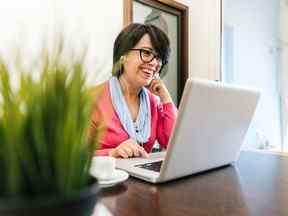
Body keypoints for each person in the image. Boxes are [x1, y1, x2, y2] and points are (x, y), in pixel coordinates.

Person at [89, 23, 177, 158]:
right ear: (123, 56)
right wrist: (112, 153)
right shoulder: (91, 98)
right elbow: (74, 157)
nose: (154, 63)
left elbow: (174, 144)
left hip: (142, 177)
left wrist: (165, 97)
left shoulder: (154, 102)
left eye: (159, 58)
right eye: (147, 53)